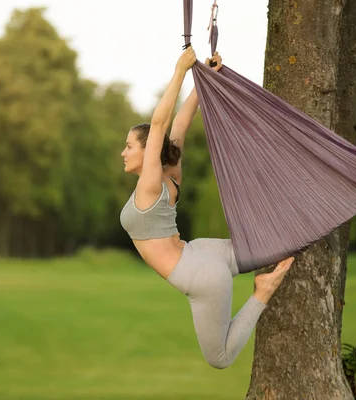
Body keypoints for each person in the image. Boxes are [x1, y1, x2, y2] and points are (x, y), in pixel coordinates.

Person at [119, 46, 294, 370]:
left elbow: (160, 125)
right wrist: (204, 82)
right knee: (278, 246)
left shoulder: (150, 186)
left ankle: (264, 291)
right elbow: (179, 126)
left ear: (148, 152)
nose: (123, 152)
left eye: (129, 146)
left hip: (200, 274)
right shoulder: (171, 176)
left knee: (220, 359)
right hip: (201, 254)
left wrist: (181, 71)